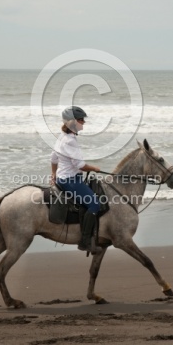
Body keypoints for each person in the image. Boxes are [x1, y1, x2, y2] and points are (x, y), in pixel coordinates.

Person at [50, 106, 102, 253]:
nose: (83, 122)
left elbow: (53, 158)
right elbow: (79, 165)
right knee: (95, 205)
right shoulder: (70, 141)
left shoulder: (62, 137)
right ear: (72, 122)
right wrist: (95, 169)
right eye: (81, 120)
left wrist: (53, 174)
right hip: (70, 181)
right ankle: (85, 241)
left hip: (63, 178)